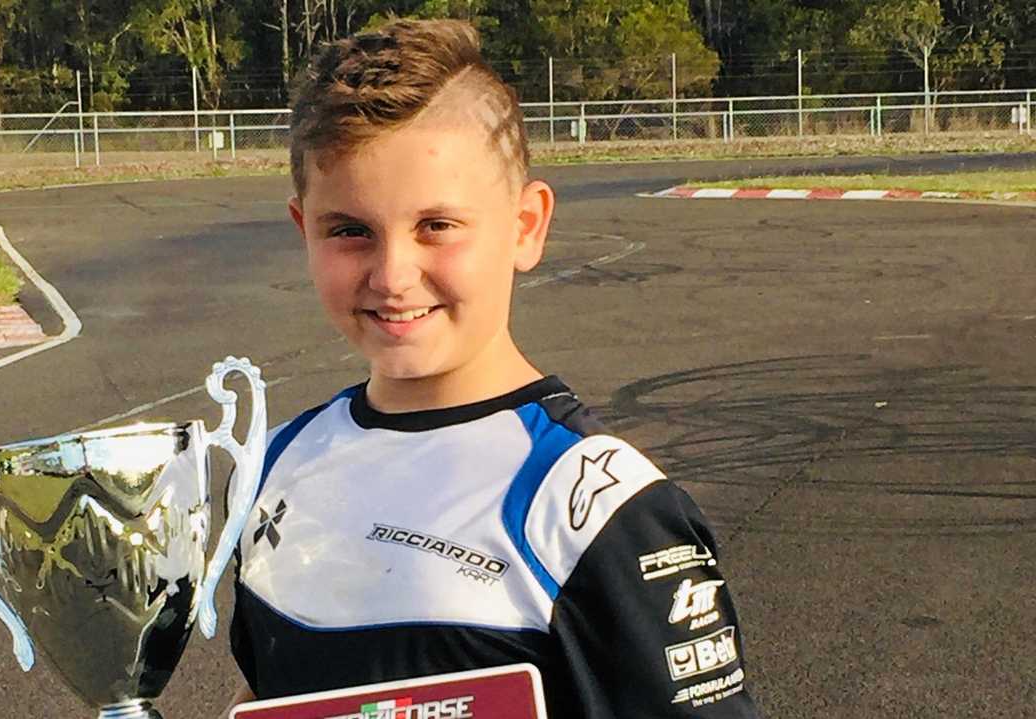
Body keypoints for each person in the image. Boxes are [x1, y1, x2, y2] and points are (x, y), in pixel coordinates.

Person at [223, 17, 759, 719]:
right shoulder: (277, 466)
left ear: (525, 226)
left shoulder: (596, 511)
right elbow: (262, 691)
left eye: (437, 225)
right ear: (304, 230)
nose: (392, 274)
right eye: (350, 230)